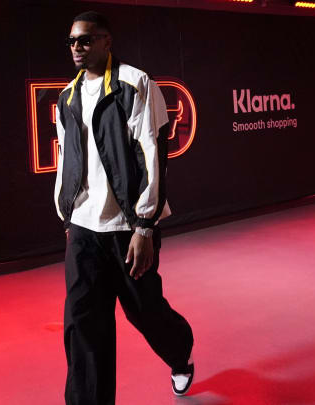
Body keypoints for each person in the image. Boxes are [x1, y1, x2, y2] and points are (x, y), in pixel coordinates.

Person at [53, 10, 195, 405]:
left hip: (127, 227)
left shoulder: (136, 84)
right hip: (83, 229)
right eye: (71, 42)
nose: (76, 48)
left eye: (85, 39)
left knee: (146, 313)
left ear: (106, 42)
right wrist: (67, 215)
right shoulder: (67, 96)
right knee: (82, 326)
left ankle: (180, 356)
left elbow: (153, 156)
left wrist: (144, 226)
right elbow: (67, 161)